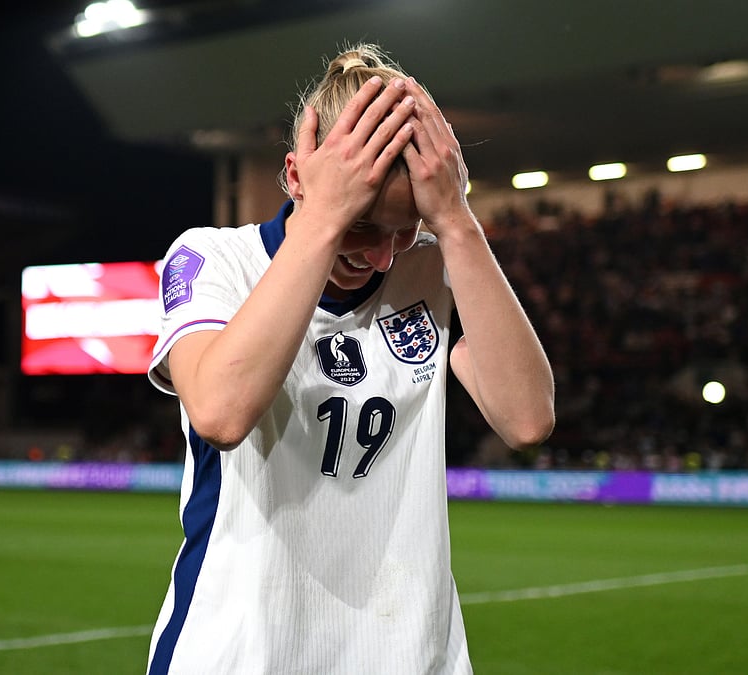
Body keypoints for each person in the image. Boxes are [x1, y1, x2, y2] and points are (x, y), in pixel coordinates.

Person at [145, 43, 555, 674]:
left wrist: (454, 218)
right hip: (242, 653)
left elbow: (527, 419)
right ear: (294, 175)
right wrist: (324, 218)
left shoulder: (437, 267)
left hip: (411, 657)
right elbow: (222, 414)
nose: (385, 257)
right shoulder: (212, 259)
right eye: (363, 226)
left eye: (404, 229)